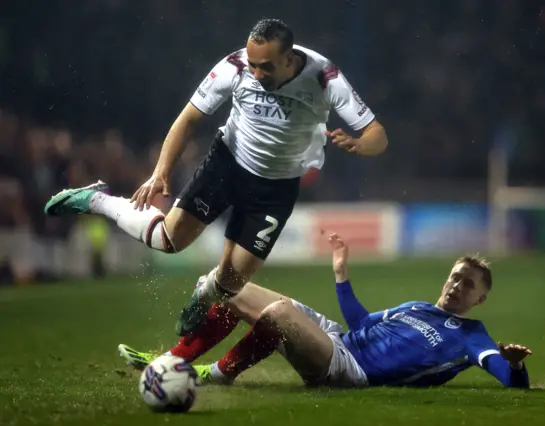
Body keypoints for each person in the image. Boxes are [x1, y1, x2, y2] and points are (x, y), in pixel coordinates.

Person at [43, 19, 388, 336]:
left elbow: (377, 135)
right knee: (169, 240)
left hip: (277, 187)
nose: (255, 72)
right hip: (228, 163)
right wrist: (160, 173)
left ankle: (204, 293)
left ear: (288, 60)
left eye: (265, 66)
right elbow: (188, 119)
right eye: (252, 63)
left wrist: (359, 144)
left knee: (231, 282)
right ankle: (96, 200)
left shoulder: (324, 77)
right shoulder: (234, 67)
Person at [119, 233, 532, 389]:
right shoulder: (417, 308)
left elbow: (502, 373)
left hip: (350, 368)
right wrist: (341, 274)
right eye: (456, 277)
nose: (457, 285)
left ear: (479, 299)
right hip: (336, 335)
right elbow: (361, 322)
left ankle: (218, 374)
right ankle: (170, 363)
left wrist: (513, 367)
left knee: (279, 314)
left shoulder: (471, 333)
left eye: (468, 284)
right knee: (225, 282)